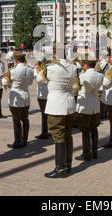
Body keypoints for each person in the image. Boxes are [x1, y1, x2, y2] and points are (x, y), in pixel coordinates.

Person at [39, 45, 78, 178]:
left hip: (56, 104)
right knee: (68, 134)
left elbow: (40, 79)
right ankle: (68, 164)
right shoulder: (73, 67)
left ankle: (60, 167)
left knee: (58, 135)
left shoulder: (51, 68)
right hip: (70, 103)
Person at [2, 51, 34, 148]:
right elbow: (30, 82)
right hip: (25, 96)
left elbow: (4, 82)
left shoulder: (13, 71)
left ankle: (18, 141)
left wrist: (7, 81)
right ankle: (25, 139)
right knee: (25, 119)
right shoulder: (30, 70)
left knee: (16, 120)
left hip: (16, 97)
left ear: (16, 60)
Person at [75, 55, 104, 161]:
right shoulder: (100, 76)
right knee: (94, 128)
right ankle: (95, 151)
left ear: (86, 65)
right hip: (95, 103)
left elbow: (75, 88)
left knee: (85, 130)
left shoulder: (82, 76)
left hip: (85, 104)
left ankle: (86, 153)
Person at [34, 56, 50, 140]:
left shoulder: (42, 71)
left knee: (44, 114)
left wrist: (36, 70)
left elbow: (38, 79)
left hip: (43, 94)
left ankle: (45, 132)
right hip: (48, 93)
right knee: (48, 114)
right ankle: (49, 130)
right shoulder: (49, 68)